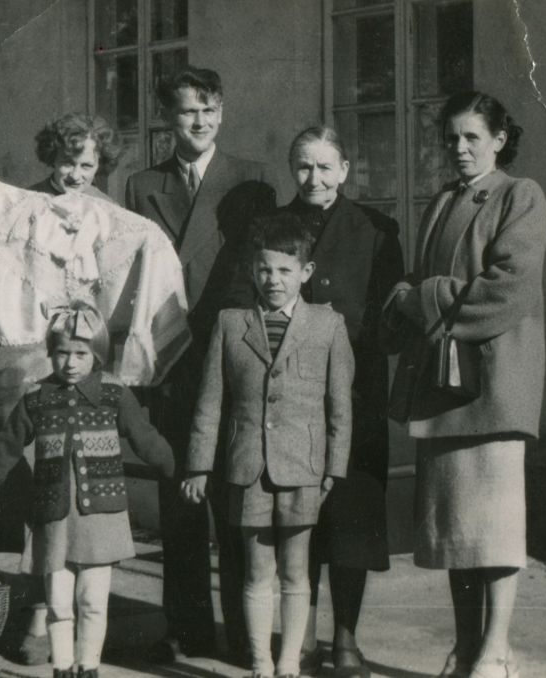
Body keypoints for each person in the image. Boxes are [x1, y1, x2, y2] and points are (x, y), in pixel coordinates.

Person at [384, 91, 546, 678]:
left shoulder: (518, 195)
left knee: (496, 528)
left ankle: (497, 650)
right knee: (457, 529)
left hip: (491, 386)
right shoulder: (442, 202)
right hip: (443, 384)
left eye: (472, 136)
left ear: (500, 139)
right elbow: (423, 277)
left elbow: (511, 284)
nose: (459, 148)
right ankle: (465, 648)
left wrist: (422, 297)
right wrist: (407, 295)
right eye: (451, 137)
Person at [124, 65, 276, 663]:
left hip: (226, 352)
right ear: (168, 118)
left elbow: (253, 272)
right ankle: (184, 627)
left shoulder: (251, 181)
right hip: (170, 358)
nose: (201, 121)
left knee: (235, 499)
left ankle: (244, 634)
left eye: (211, 111)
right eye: (189, 111)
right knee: (177, 495)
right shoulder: (142, 184)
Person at [0, 303, 175, 678]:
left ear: (98, 355)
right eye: (62, 353)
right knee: (59, 601)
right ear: (50, 352)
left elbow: (145, 437)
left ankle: (88, 666)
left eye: (82, 354)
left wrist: (178, 470)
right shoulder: (36, 398)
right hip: (53, 519)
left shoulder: (114, 394)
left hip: (102, 519)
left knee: (93, 600)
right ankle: (62, 667)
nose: (71, 363)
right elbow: (3, 450)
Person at [181, 215, 354, 678]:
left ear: (305, 271)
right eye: (263, 270)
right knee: (257, 571)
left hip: (304, 467)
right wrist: (199, 465)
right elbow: (209, 402)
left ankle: (288, 664)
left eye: (283, 270)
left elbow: (340, 404)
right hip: (246, 468)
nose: (272, 280)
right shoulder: (230, 323)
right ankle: (259, 660)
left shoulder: (327, 325)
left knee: (297, 572)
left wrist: (334, 465)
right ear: (251, 270)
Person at [275, 126, 404, 677]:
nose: (314, 178)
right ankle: (299, 639)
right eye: (304, 167)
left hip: (355, 391)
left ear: (346, 171)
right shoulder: (272, 226)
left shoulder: (377, 230)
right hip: (290, 391)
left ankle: (346, 638)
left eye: (326, 167)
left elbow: (390, 314)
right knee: (296, 516)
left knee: (352, 516)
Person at [14, 112, 123, 664]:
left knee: (83, 480)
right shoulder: (29, 205)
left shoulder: (106, 213)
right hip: (40, 346)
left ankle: (72, 613)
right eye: (67, 162)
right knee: (43, 476)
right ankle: (41, 604)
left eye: (87, 164)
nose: (76, 174)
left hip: (85, 354)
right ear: (49, 159)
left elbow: (117, 273)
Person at [30, 112, 122, 202]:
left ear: (99, 165)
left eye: (86, 166)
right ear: (53, 158)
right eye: (67, 163)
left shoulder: (107, 206)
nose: (75, 176)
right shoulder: (27, 202)